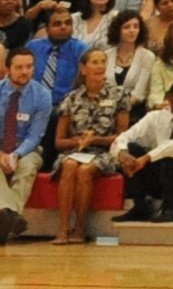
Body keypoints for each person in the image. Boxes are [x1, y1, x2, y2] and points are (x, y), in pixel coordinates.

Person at [44, 48, 141, 245]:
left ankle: (80, 227)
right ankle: (63, 229)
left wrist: (94, 139)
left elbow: (122, 136)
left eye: (102, 62)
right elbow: (59, 142)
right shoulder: (71, 98)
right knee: (70, 165)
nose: (99, 66)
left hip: (105, 152)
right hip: (75, 151)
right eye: (94, 62)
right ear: (83, 69)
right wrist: (78, 142)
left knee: (85, 170)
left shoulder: (119, 95)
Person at [0, 49, 55, 244]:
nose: (25, 71)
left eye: (29, 67)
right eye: (19, 67)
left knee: (27, 168)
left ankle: (4, 218)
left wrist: (16, 154)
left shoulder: (42, 96)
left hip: (26, 147)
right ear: (7, 69)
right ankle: (12, 217)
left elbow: (35, 135)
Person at [113, 80, 173, 223]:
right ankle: (140, 206)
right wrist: (122, 153)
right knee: (131, 148)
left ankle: (167, 208)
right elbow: (124, 136)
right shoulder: (155, 117)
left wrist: (147, 157)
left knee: (172, 152)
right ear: (169, 97)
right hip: (158, 179)